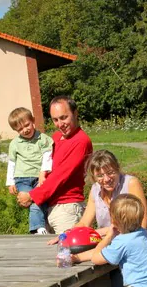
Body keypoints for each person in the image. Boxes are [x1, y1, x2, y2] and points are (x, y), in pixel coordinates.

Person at [16, 96, 92, 234]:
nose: (60, 124)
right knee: (48, 254)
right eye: (55, 119)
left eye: (64, 117)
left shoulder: (80, 141)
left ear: (75, 113)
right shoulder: (56, 137)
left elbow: (59, 176)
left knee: (68, 253)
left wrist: (31, 195)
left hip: (67, 208)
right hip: (47, 205)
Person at [5, 107, 53, 234]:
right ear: (15, 130)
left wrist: (43, 173)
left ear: (33, 120)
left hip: (39, 176)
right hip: (22, 178)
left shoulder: (43, 139)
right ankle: (40, 227)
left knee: (37, 200)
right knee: (29, 201)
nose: (25, 130)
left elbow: (48, 157)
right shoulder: (15, 143)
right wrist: (10, 182)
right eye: (20, 129)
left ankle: (38, 229)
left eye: (27, 125)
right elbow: (12, 162)